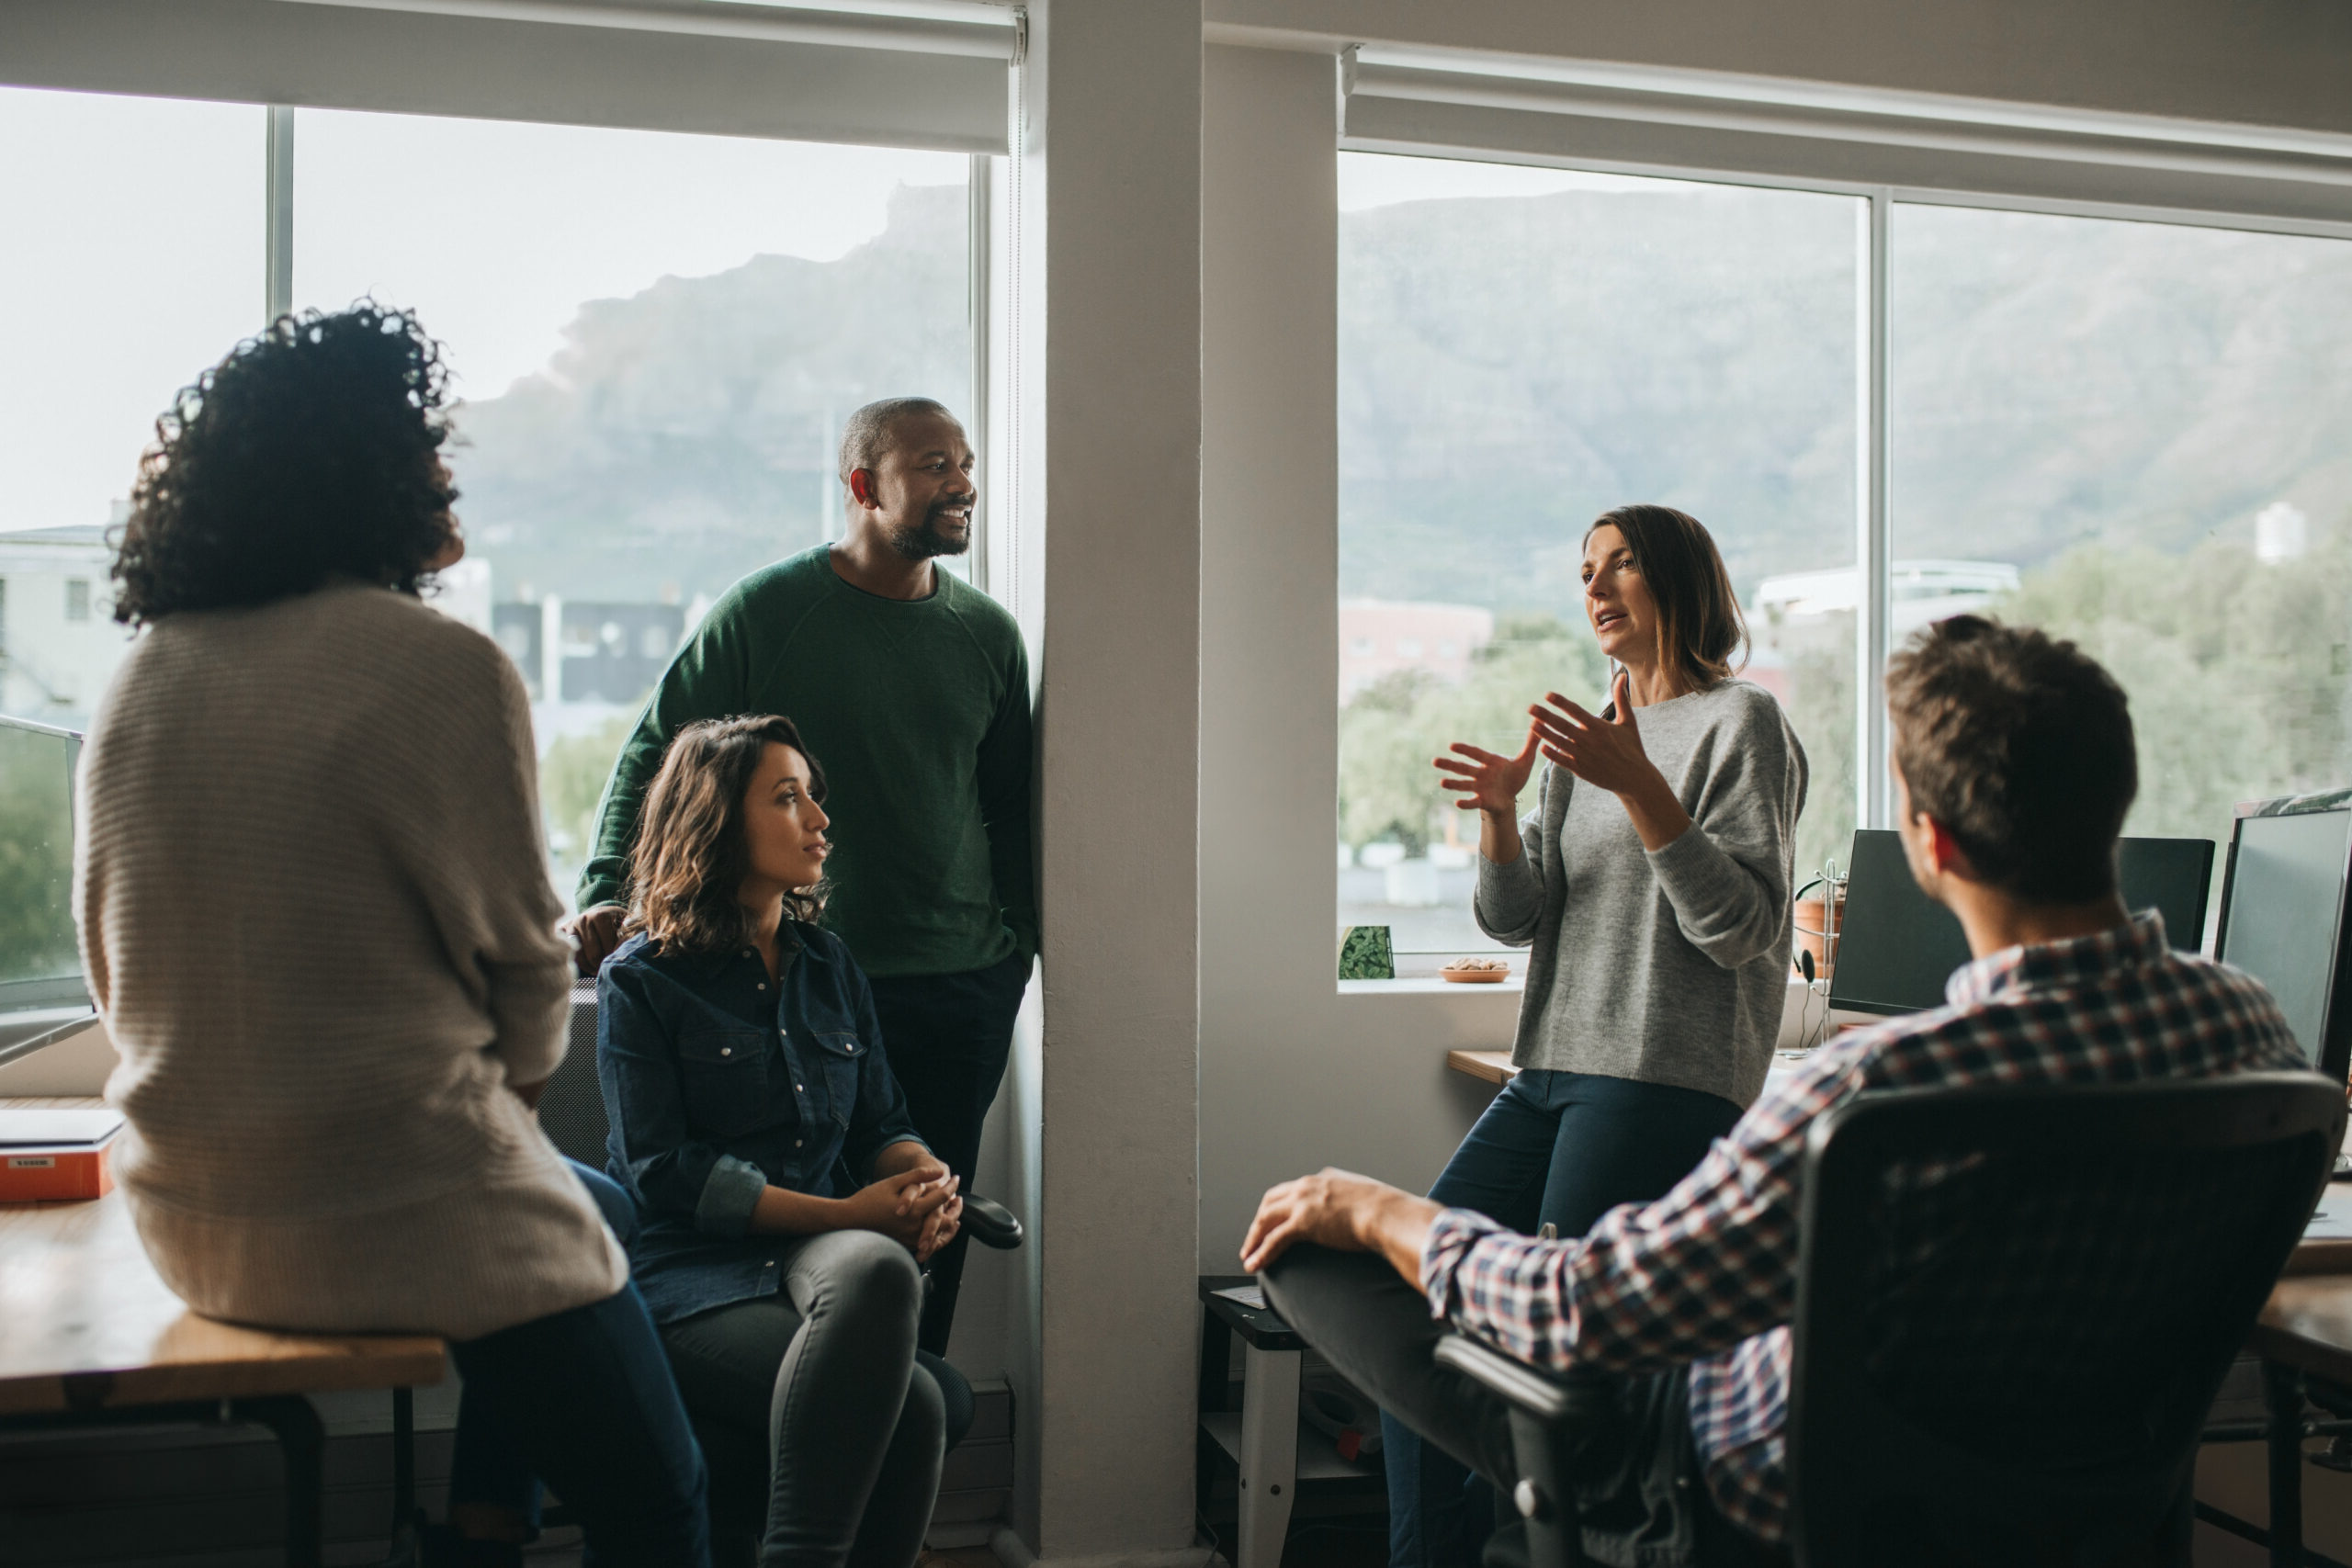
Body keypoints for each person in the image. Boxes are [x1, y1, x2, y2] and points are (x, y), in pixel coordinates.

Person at [1241, 615, 2310, 1568]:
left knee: (1310, 1254)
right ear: (2113, 803)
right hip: (2056, 1509)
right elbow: (1517, 917)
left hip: (1743, 1498)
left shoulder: (1877, 1090)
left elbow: (1579, 1313)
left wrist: (1372, 1208)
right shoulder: (2250, 1036)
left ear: (1928, 846)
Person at [73, 304, 709, 1567]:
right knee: (663, 1495)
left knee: (605, 1209)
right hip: (392, 1211)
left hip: (191, 1217)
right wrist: (488, 1114)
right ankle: (495, 1527)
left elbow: (113, 974)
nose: (443, 471)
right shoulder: (442, 667)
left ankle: (481, 1525)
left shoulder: (137, 680)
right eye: (426, 445)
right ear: (363, 471)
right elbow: (534, 989)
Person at [568, 396, 1034, 1358]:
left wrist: (1014, 952)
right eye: (933, 466)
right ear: (864, 488)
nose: (963, 485)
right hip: (797, 978)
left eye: (965, 463)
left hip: (958, 985)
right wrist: (605, 895)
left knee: (922, 1236)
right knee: (793, 1236)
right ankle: (781, 1436)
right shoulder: (767, 612)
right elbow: (659, 755)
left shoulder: (987, 635)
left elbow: (1014, 808)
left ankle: (902, 1436)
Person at [1389, 504, 1806, 1567]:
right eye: (1585, 570)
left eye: (1622, 564)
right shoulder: (1592, 735)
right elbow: (1517, 918)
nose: (1597, 586)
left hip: (1660, 1077)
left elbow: (1744, 930)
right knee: (1412, 1298)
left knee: (1567, 1361)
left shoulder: (1738, 724)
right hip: (1549, 1068)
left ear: (1680, 581)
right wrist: (1496, 818)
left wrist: (1646, 791)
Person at [598, 714, 970, 1568]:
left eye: (813, 796)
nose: (819, 818)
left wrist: (919, 1178)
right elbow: (664, 1174)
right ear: (717, 817)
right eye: (787, 796)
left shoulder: (830, 964)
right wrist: (849, 1210)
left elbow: (881, 1121)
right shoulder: (640, 980)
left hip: (818, 1257)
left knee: (877, 1263)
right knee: (913, 1405)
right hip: (690, 1276)